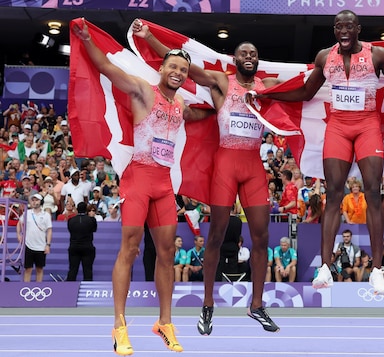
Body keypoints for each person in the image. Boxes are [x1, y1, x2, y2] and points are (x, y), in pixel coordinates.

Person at [254, 10, 384, 295]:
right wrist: (269, 94)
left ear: (358, 29)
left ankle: (377, 271)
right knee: (334, 193)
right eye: (339, 26)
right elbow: (305, 92)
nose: (344, 31)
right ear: (335, 30)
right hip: (338, 127)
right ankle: (325, 267)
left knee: (373, 193)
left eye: (349, 26)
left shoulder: (377, 55)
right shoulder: (325, 57)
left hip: (367, 126)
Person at [132, 20, 280, 336]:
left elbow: (303, 90)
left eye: (254, 53)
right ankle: (208, 304)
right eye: (244, 53)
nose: (249, 56)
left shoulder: (267, 87)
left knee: (262, 237)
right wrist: (150, 38)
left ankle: (256, 305)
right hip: (226, 164)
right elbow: (184, 68)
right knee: (216, 235)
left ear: (258, 59)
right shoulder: (222, 82)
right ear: (235, 59)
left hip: (254, 166)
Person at [74, 20, 208, 355]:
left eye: (182, 69)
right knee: (130, 249)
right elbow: (105, 66)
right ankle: (119, 325)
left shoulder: (179, 106)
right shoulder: (142, 90)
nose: (177, 72)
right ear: (161, 68)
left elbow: (199, 115)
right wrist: (89, 39)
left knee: (166, 253)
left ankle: (165, 322)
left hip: (163, 184)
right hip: (137, 179)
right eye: (172, 66)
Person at [17, 194, 52, 282]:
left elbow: (49, 230)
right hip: (28, 245)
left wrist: (48, 244)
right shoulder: (27, 213)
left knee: (39, 269)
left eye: (36, 200)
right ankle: (25, 289)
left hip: (41, 246)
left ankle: (38, 289)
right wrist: (18, 235)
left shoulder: (46, 215)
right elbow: (19, 223)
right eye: (33, 200)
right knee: (28, 269)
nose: (34, 202)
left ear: (40, 202)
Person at [66, 202, 98, 281]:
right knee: (87, 270)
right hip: (87, 247)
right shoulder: (91, 220)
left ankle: (69, 289)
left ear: (76, 209)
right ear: (86, 210)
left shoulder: (71, 220)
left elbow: (70, 230)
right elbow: (94, 229)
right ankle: (88, 289)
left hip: (74, 247)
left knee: (73, 269)